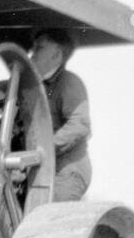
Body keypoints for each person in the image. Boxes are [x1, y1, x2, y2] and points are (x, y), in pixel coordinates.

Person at [28, 28, 91, 201]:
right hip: (42, 167)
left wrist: (43, 148)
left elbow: (79, 125)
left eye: (39, 49)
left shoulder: (70, 83)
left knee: (50, 219)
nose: (31, 55)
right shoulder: (34, 88)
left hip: (67, 171)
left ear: (56, 55)